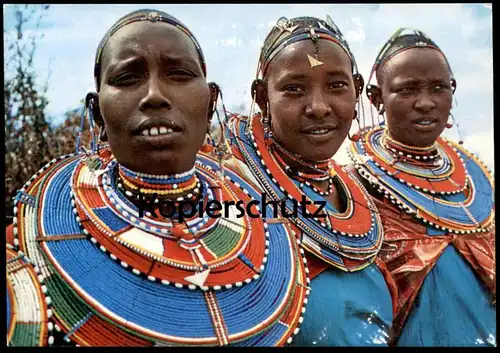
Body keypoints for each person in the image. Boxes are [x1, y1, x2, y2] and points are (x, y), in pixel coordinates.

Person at [6, 9, 310, 346]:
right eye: (127, 78)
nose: (154, 95)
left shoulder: (271, 238)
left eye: (179, 74)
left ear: (211, 104)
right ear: (97, 113)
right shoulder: (25, 257)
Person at [226, 15, 396, 346]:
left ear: (357, 92)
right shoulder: (232, 189)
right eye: (294, 89)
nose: (318, 107)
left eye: (336, 86)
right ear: (263, 98)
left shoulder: (359, 192)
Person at [348, 28, 495, 346]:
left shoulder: (478, 182)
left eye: (439, 88)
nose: (426, 103)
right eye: (408, 89)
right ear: (377, 98)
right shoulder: (355, 186)